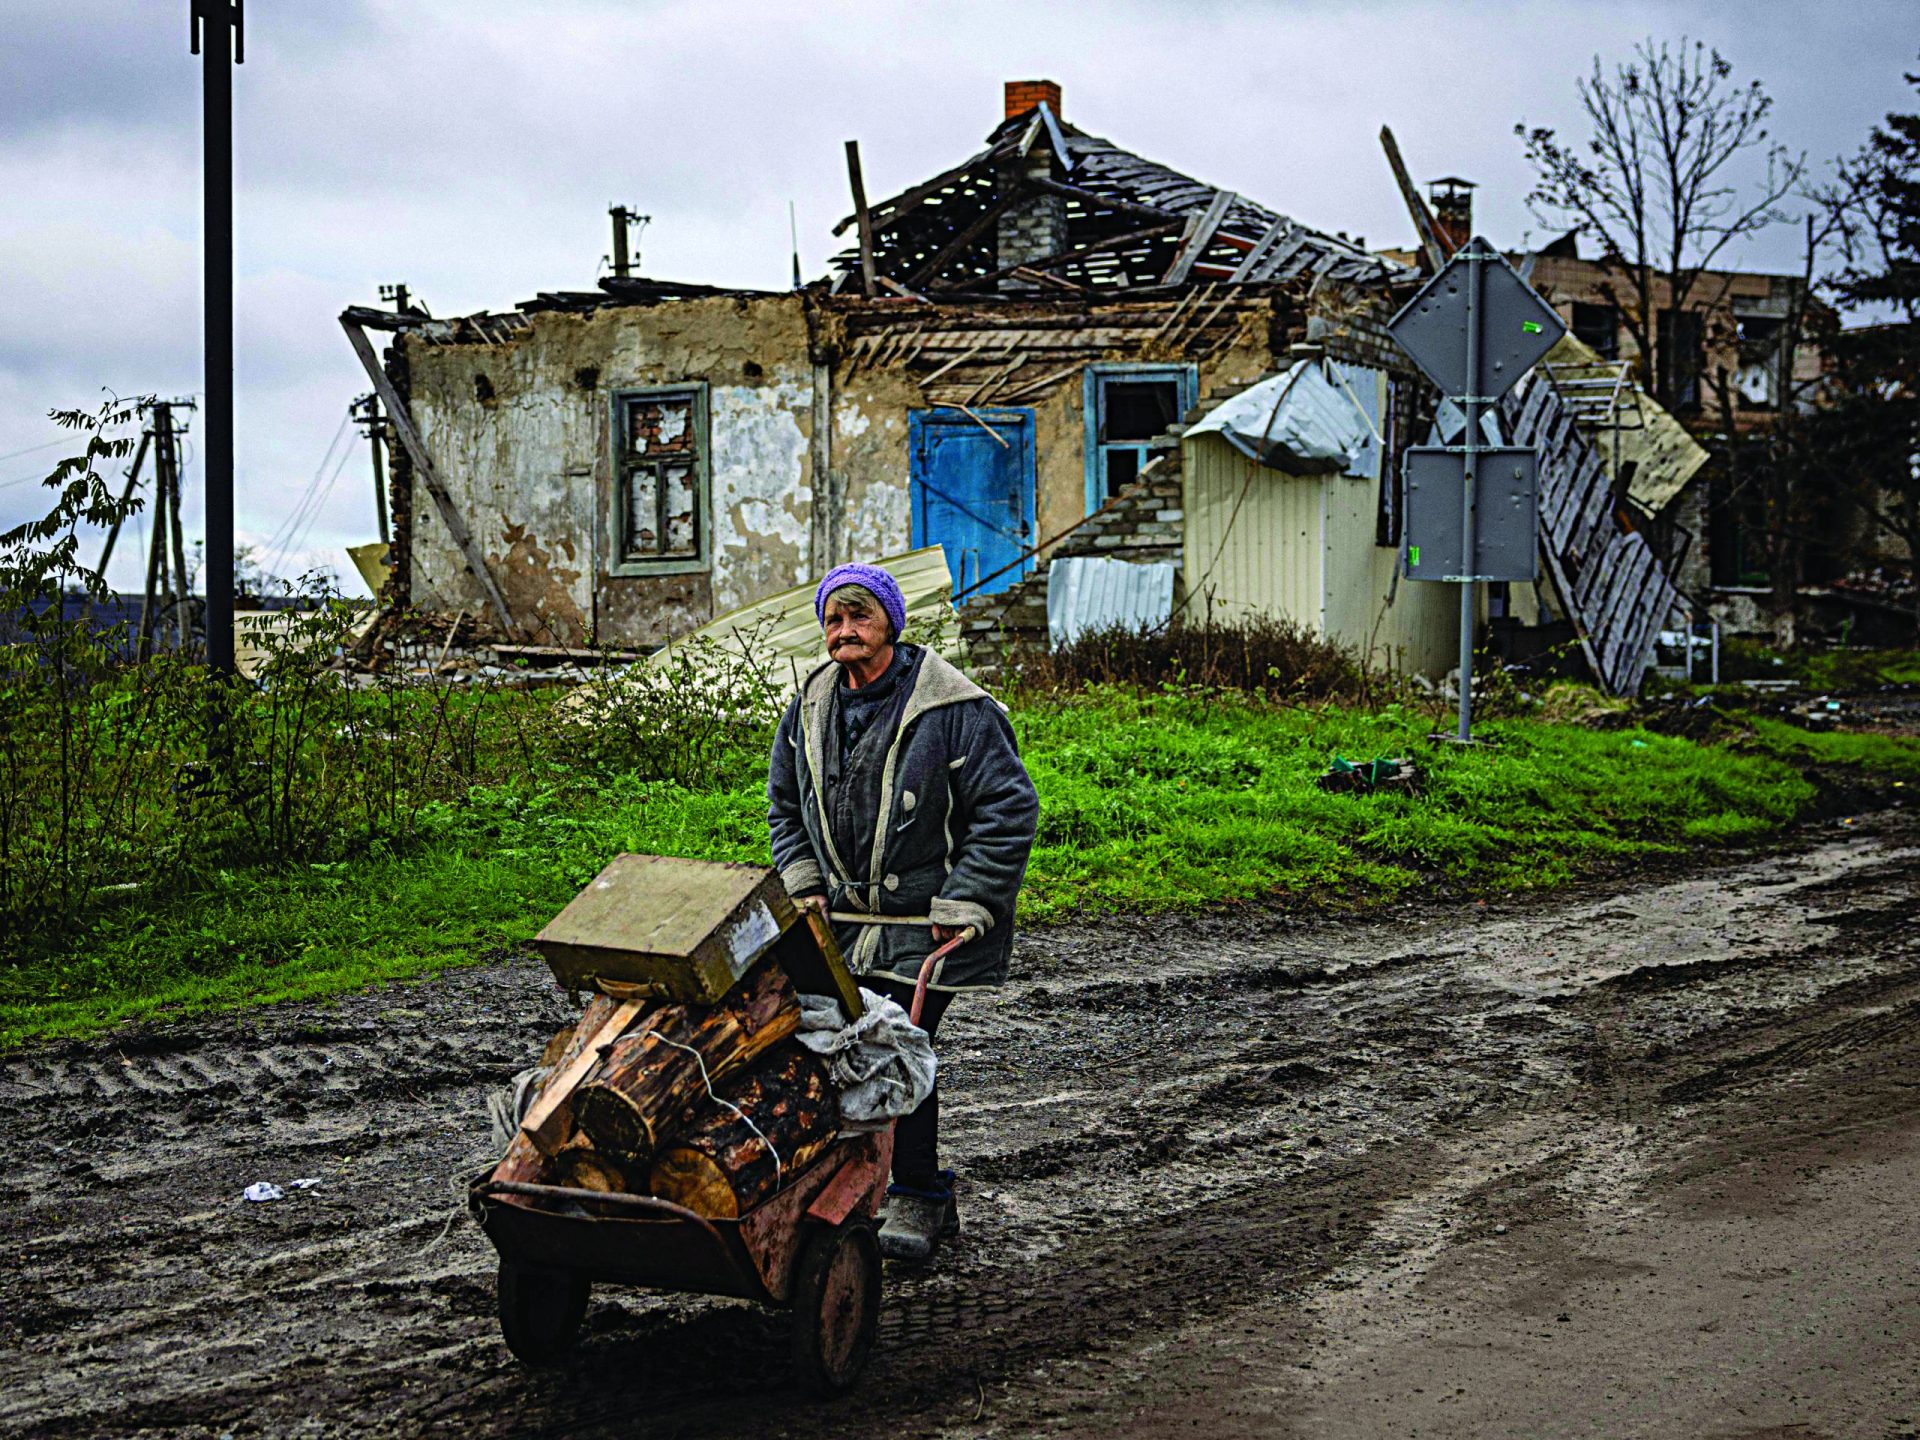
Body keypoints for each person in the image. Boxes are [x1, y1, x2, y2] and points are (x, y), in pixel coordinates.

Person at [767, 561, 1038, 1263]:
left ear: (891, 622)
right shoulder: (812, 703)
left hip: (924, 925)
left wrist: (968, 897)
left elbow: (1007, 810)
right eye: (833, 619)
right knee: (813, 1045)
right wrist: (804, 882)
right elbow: (785, 807)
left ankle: (919, 1195)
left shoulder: (952, 708)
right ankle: (831, 1189)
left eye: (859, 616)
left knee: (891, 1047)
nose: (844, 631)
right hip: (845, 923)